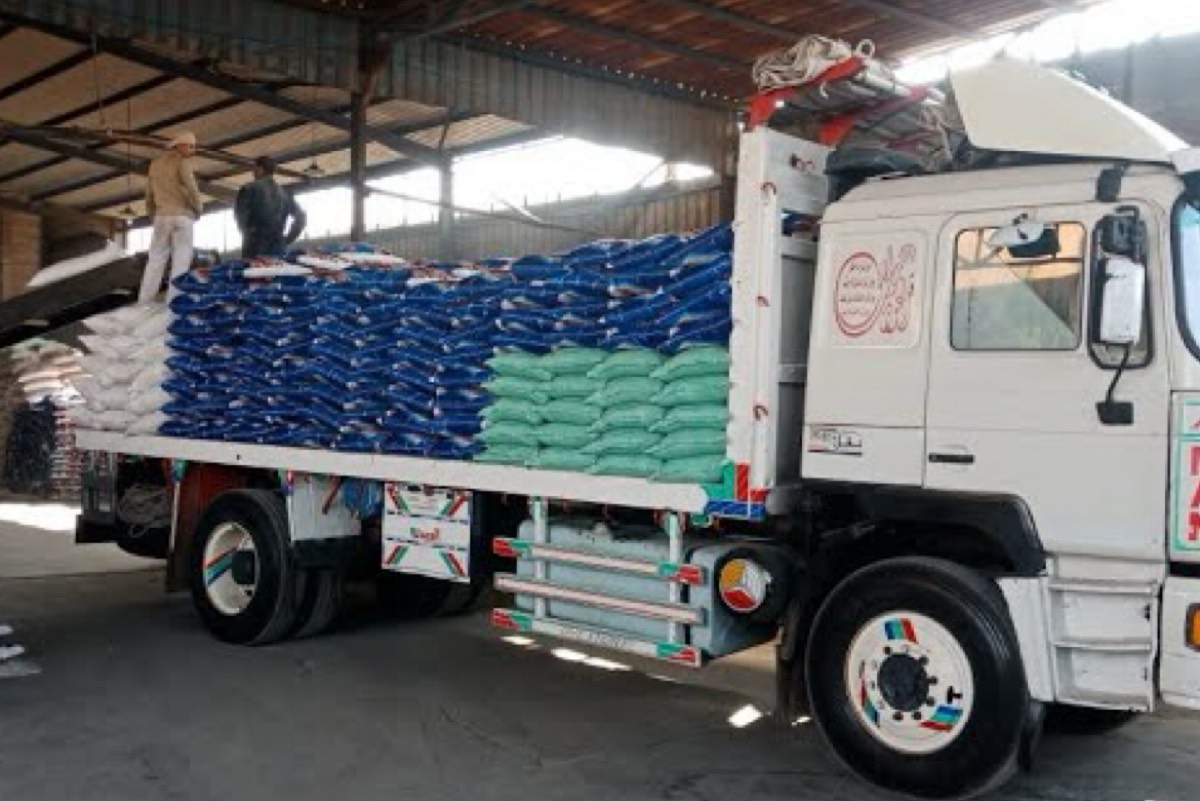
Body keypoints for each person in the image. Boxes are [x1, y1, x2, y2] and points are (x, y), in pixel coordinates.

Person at [139, 131, 203, 303]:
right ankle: (174, 301)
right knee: (181, 260)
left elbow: (149, 193)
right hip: (182, 216)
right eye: (190, 146)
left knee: (155, 259)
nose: (193, 150)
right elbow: (192, 188)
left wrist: (151, 214)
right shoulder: (182, 162)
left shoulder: (154, 164)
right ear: (179, 146)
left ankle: (144, 301)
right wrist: (198, 209)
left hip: (161, 216)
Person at [235, 156, 307, 259]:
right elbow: (301, 217)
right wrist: (288, 239)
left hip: (255, 248)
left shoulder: (248, 189)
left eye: (254, 169)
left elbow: (240, 218)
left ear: (260, 169)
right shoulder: (285, 194)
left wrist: (248, 237)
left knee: (256, 270)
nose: (253, 172)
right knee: (278, 269)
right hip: (279, 247)